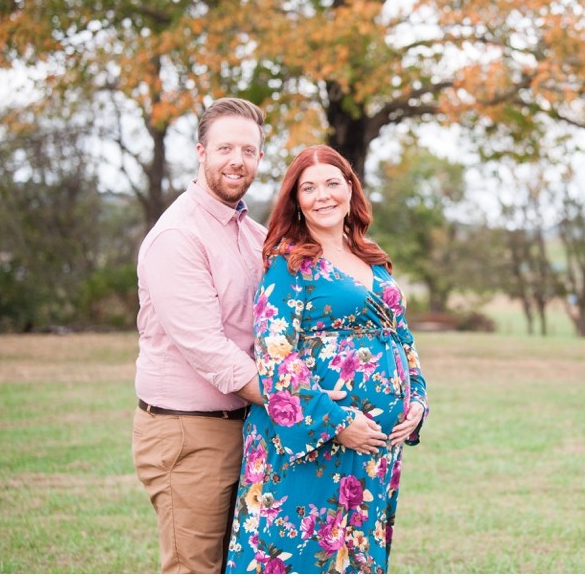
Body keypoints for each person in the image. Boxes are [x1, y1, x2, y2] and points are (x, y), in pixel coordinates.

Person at [225, 145, 429, 574]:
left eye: (333, 183)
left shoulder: (372, 256)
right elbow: (274, 351)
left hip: (375, 448)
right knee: (300, 554)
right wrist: (336, 422)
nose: (323, 196)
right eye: (309, 188)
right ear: (296, 201)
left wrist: (417, 401)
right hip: (314, 443)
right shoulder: (288, 263)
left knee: (357, 557)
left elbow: (402, 336)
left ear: (350, 189)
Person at [132, 97, 271, 574]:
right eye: (225, 148)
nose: (237, 160)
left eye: (248, 150)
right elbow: (209, 350)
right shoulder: (178, 236)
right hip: (189, 432)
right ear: (201, 152)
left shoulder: (255, 236)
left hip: (248, 426)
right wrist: (298, 403)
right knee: (195, 572)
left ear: (259, 158)